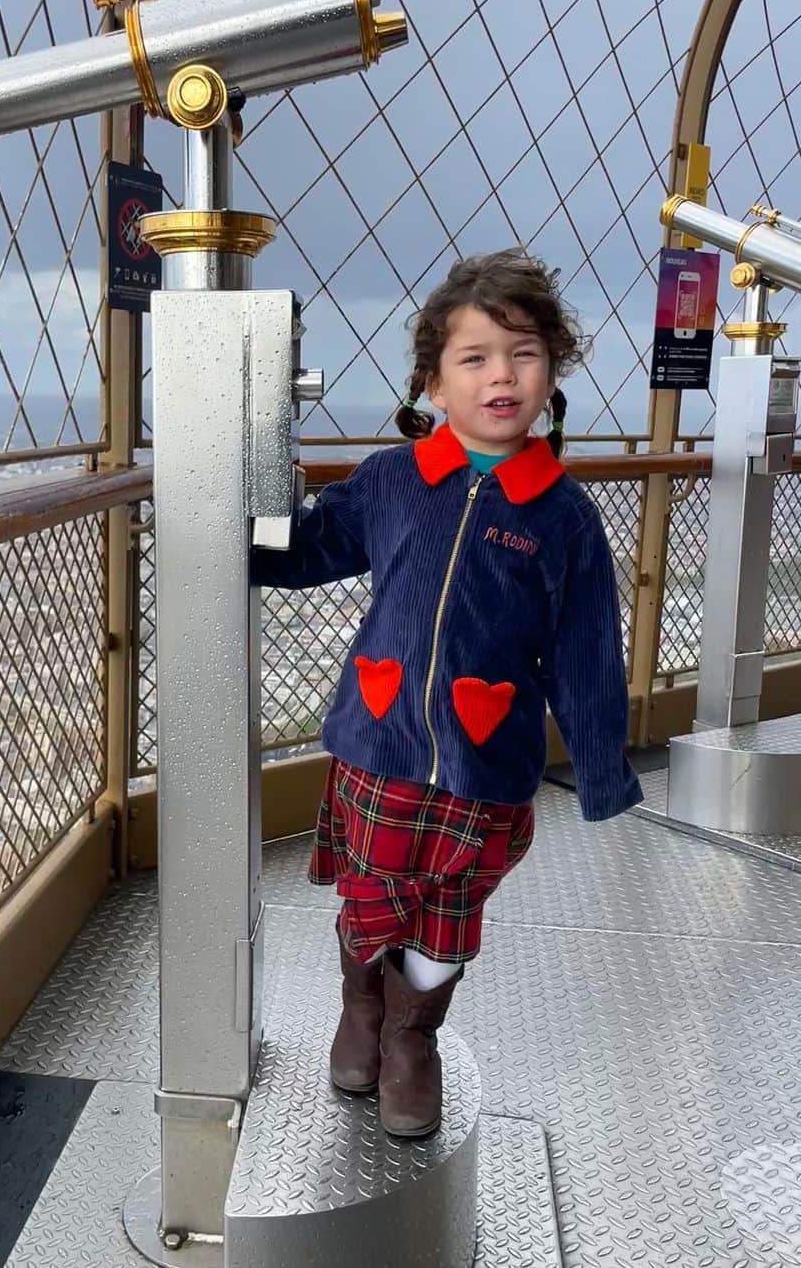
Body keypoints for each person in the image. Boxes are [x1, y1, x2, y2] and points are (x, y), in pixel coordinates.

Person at [251, 249, 642, 1139]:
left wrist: (603, 771)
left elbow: (586, 656)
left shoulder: (564, 518)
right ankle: (361, 1008)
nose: (502, 375)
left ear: (553, 372)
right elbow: (314, 551)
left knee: (446, 921)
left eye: (525, 353)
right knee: (368, 899)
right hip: (378, 747)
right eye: (474, 358)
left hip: (486, 765)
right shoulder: (392, 480)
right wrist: (220, 535)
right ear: (433, 382)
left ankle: (411, 1038)